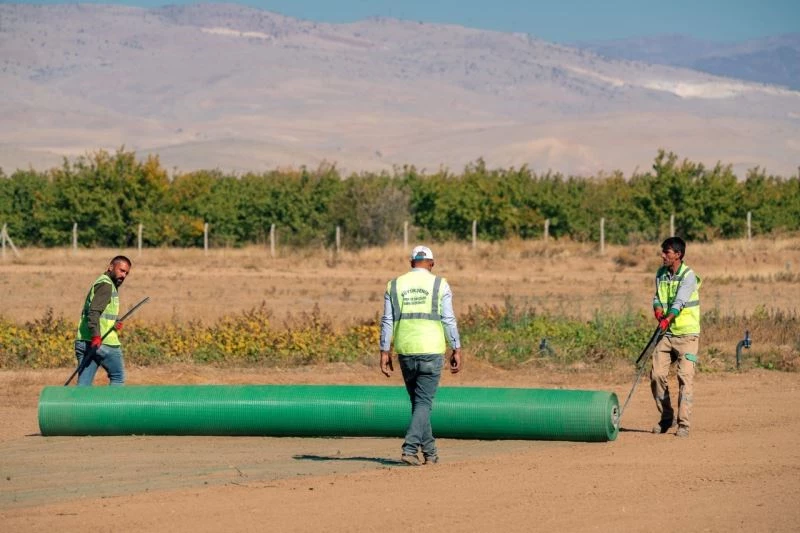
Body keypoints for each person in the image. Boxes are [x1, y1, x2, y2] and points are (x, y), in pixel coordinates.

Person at [380, 245, 462, 466]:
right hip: (431, 350)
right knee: (423, 403)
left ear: (411, 263)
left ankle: (430, 453)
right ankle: (409, 448)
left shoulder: (394, 285)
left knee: (419, 404)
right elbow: (448, 319)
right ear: (432, 264)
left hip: (406, 351)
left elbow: (387, 320)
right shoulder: (440, 284)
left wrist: (384, 350)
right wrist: (456, 347)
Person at [650, 237, 701, 438]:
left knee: (684, 377)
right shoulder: (660, 274)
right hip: (667, 334)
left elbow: (680, 301)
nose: (662, 255)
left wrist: (668, 318)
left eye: (667, 252)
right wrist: (657, 310)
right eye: (663, 251)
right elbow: (657, 297)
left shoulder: (688, 276)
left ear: (678, 255)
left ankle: (683, 424)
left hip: (688, 335)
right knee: (656, 376)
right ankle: (667, 417)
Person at [75, 255, 132, 386]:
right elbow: (94, 312)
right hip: (103, 342)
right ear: (111, 267)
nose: (123, 275)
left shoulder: (101, 282)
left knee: (83, 385)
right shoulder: (106, 285)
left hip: (84, 340)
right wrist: (96, 336)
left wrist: (114, 322)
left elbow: (100, 313)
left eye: (126, 273)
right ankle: (112, 402)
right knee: (117, 378)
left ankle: (78, 401)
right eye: (121, 270)